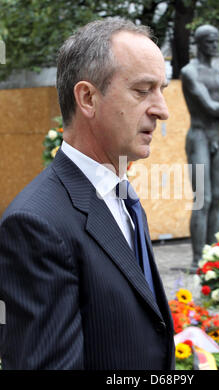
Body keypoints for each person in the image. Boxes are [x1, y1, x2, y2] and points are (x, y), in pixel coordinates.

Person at [0, 17, 175, 370]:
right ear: (87, 98)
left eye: (162, 90)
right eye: (143, 90)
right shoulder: (35, 225)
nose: (162, 110)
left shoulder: (121, 194)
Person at [181, 25, 219, 270]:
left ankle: (214, 256)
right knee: (202, 200)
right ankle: (198, 259)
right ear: (199, 43)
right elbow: (209, 106)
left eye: (217, 41)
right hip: (199, 138)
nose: (215, 46)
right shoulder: (189, 72)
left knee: (218, 198)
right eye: (211, 42)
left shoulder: (217, 74)